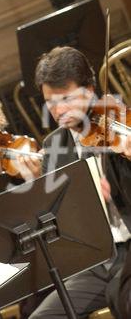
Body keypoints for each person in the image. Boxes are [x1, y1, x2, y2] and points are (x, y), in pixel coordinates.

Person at [28, 46, 131, 319]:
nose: (59, 110)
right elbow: (55, 218)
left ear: (90, 88)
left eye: (67, 98)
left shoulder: (121, 123)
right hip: (98, 261)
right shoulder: (54, 146)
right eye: (51, 102)